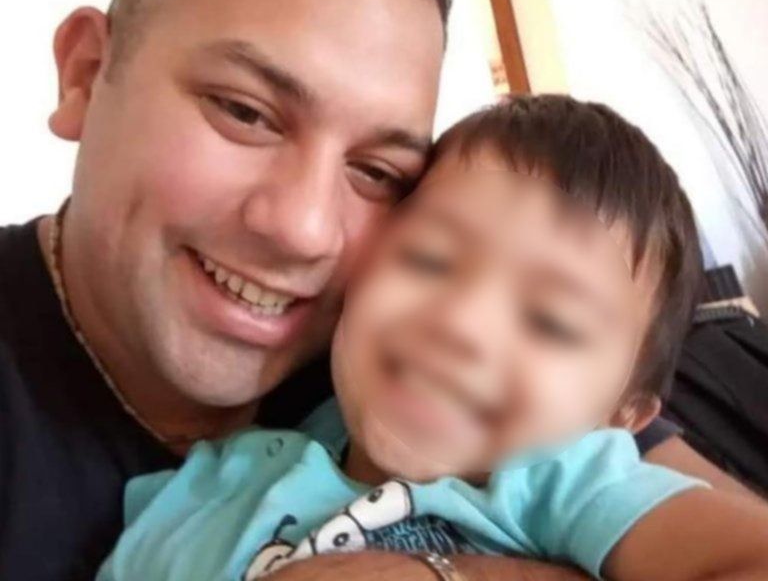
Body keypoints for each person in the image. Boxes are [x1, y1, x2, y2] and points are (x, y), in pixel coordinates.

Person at [0, 0, 749, 581]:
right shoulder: (230, 474)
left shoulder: (534, 436)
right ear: (87, 75)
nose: (304, 229)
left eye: (375, 170)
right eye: (244, 111)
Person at [97, 95, 768, 581]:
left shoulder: (563, 484)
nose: (460, 322)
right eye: (429, 260)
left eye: (551, 321)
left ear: (623, 417)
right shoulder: (213, 487)